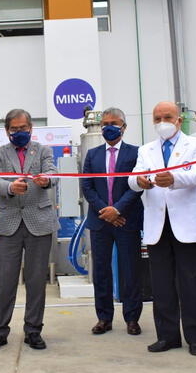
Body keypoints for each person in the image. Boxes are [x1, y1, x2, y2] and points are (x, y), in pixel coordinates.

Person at [128, 101, 196, 356]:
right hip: (157, 225)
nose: (162, 122)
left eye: (167, 117)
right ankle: (167, 336)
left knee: (192, 283)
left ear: (179, 120)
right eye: (157, 118)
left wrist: (175, 179)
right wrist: (140, 181)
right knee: (161, 284)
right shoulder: (146, 150)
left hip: (187, 225)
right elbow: (133, 179)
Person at [0, 109, 60, 351]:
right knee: (5, 282)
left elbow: (53, 173)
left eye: (23, 128)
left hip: (40, 222)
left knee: (37, 282)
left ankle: (33, 330)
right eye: (14, 129)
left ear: (31, 128)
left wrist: (46, 180)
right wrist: (11, 187)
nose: (19, 132)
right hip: (8, 224)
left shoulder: (43, 150)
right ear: (7, 131)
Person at [80, 107, 144, 336]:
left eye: (114, 123)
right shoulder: (93, 154)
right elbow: (86, 186)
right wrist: (105, 211)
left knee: (130, 271)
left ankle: (132, 318)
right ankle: (104, 318)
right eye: (105, 123)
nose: (108, 127)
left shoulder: (136, 153)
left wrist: (117, 210)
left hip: (127, 219)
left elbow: (137, 186)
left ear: (124, 127)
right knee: (101, 272)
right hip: (99, 222)